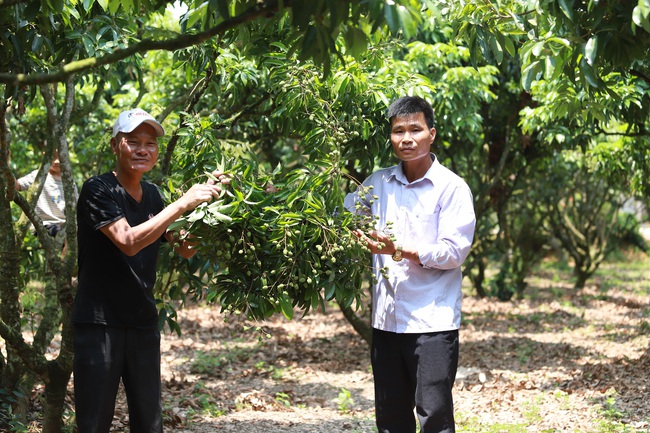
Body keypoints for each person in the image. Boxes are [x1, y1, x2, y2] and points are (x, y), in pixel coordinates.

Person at [72, 108, 229, 433]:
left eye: (150, 143)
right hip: (99, 325)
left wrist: (213, 204)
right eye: (133, 141)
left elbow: (185, 247)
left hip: (143, 324)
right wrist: (182, 203)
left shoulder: (154, 195)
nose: (142, 149)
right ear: (116, 145)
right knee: (93, 423)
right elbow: (128, 241)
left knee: (149, 423)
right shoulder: (97, 190)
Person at [344, 96, 476, 433]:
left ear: (431, 134)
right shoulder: (378, 184)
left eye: (415, 129)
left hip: (432, 322)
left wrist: (398, 248)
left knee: (434, 416)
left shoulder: (452, 188)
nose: (406, 138)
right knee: (390, 419)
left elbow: (453, 252)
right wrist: (280, 194)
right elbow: (339, 216)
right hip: (387, 322)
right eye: (398, 131)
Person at [15, 148, 75, 238]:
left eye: (60, 157)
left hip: (64, 225)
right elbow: (17, 186)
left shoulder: (68, 180)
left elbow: (76, 206)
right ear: (45, 155)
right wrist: (5, 163)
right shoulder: (38, 176)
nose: (57, 161)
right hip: (45, 225)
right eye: (53, 157)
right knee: (64, 237)